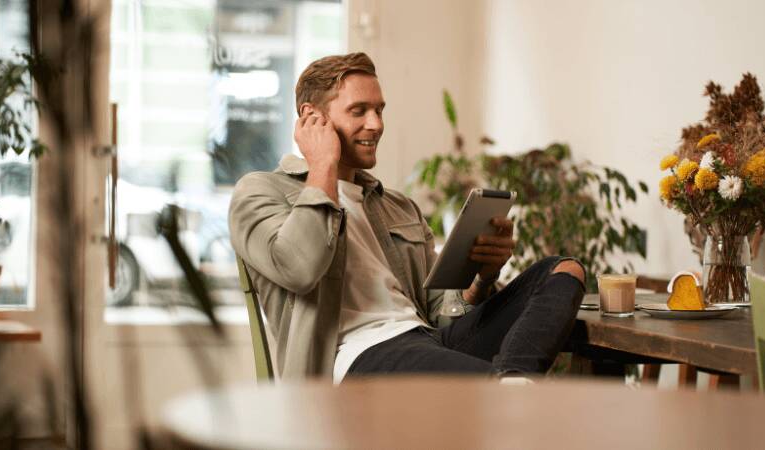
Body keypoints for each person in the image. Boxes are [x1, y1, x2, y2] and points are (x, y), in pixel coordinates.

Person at [229, 52, 586, 383]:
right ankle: (509, 391)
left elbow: (442, 315)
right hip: (356, 358)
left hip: (427, 340)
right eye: (359, 111)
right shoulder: (260, 191)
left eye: (379, 110)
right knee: (495, 389)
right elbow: (300, 268)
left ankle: (514, 384)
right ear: (312, 118)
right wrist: (322, 163)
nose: (375, 124)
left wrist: (482, 278)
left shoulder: (398, 207)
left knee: (564, 271)